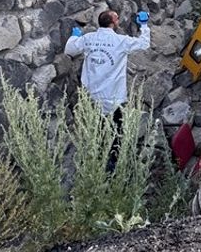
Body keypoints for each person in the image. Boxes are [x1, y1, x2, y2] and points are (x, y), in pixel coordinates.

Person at [65, 9, 152, 168]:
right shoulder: (121, 41)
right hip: (113, 97)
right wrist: (144, 26)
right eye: (117, 18)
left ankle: (96, 162)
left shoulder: (88, 39)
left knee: (95, 129)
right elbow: (144, 44)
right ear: (113, 22)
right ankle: (114, 163)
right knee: (117, 131)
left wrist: (74, 36)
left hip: (91, 96)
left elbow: (69, 50)